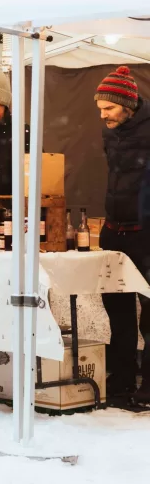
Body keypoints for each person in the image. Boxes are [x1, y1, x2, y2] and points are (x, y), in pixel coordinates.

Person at [92, 66, 150, 404]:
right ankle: (123, 377)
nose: (104, 116)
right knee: (118, 310)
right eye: (100, 110)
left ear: (128, 104)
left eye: (109, 109)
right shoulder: (109, 132)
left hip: (146, 231)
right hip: (115, 230)